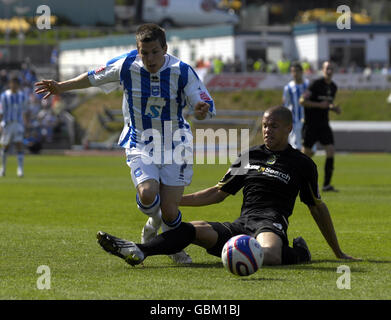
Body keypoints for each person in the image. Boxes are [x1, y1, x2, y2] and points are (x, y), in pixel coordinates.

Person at [35, 23, 216, 264]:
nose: (150, 58)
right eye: (144, 52)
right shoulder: (126, 65)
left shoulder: (181, 71)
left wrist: (202, 111)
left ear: (165, 48)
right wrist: (61, 87)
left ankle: (167, 239)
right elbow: (92, 78)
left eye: (154, 52)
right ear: (137, 49)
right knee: (148, 192)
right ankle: (161, 229)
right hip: (141, 141)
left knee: (171, 211)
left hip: (175, 144)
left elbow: (202, 102)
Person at [96, 106, 358, 267]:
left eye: (274, 126)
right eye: (265, 126)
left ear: (289, 128)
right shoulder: (249, 156)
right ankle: (139, 251)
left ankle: (299, 254)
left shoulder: (303, 164)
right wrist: (175, 201)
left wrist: (338, 252)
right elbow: (217, 192)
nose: (267, 131)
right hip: (242, 225)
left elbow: (317, 207)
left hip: (270, 223)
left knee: (271, 256)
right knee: (191, 229)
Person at [300, 61, 341, 192]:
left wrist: (333, 108)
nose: (329, 70)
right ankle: (296, 179)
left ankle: (327, 185)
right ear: (322, 70)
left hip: (324, 125)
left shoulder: (333, 87)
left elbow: (327, 103)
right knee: (306, 154)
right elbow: (302, 101)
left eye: (331, 68)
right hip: (311, 124)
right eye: (327, 68)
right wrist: (319, 105)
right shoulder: (315, 84)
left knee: (330, 150)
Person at [0, 76, 28, 177]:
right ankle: (3, 168)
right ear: (10, 84)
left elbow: (24, 111)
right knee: (5, 146)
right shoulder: (4, 96)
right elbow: (1, 111)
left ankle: (20, 169)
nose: (14, 85)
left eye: (16, 83)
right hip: (7, 124)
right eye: (12, 83)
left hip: (18, 123)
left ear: (18, 85)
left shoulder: (22, 96)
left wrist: (25, 124)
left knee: (19, 145)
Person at [282, 62, 309, 150]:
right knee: (296, 147)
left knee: (309, 148)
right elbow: (285, 104)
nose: (295, 74)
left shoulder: (307, 85)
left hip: (308, 120)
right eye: (293, 71)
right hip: (295, 121)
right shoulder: (288, 87)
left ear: (301, 72)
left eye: (297, 71)